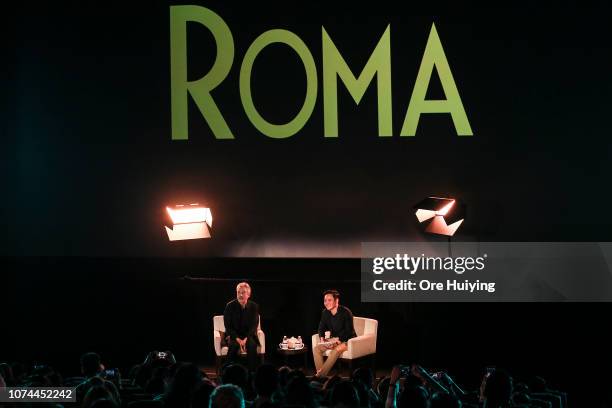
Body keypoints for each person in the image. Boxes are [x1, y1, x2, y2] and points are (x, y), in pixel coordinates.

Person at [313, 289, 356, 377]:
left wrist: (337, 341)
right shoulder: (325, 313)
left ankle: (319, 377)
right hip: (333, 340)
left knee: (335, 351)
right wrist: (322, 339)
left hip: (347, 340)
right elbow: (321, 327)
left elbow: (349, 331)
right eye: (325, 300)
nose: (326, 303)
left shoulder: (346, 312)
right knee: (316, 349)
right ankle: (321, 375)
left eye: (329, 300)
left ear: (336, 301)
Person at [223, 282, 260, 371]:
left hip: (249, 335)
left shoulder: (254, 306)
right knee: (233, 346)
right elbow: (228, 326)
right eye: (238, 292)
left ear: (248, 294)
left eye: (243, 292)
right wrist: (237, 339)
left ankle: (251, 371)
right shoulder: (229, 306)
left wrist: (246, 339)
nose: (240, 295)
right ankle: (227, 370)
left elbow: (254, 326)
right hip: (234, 335)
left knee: (251, 345)